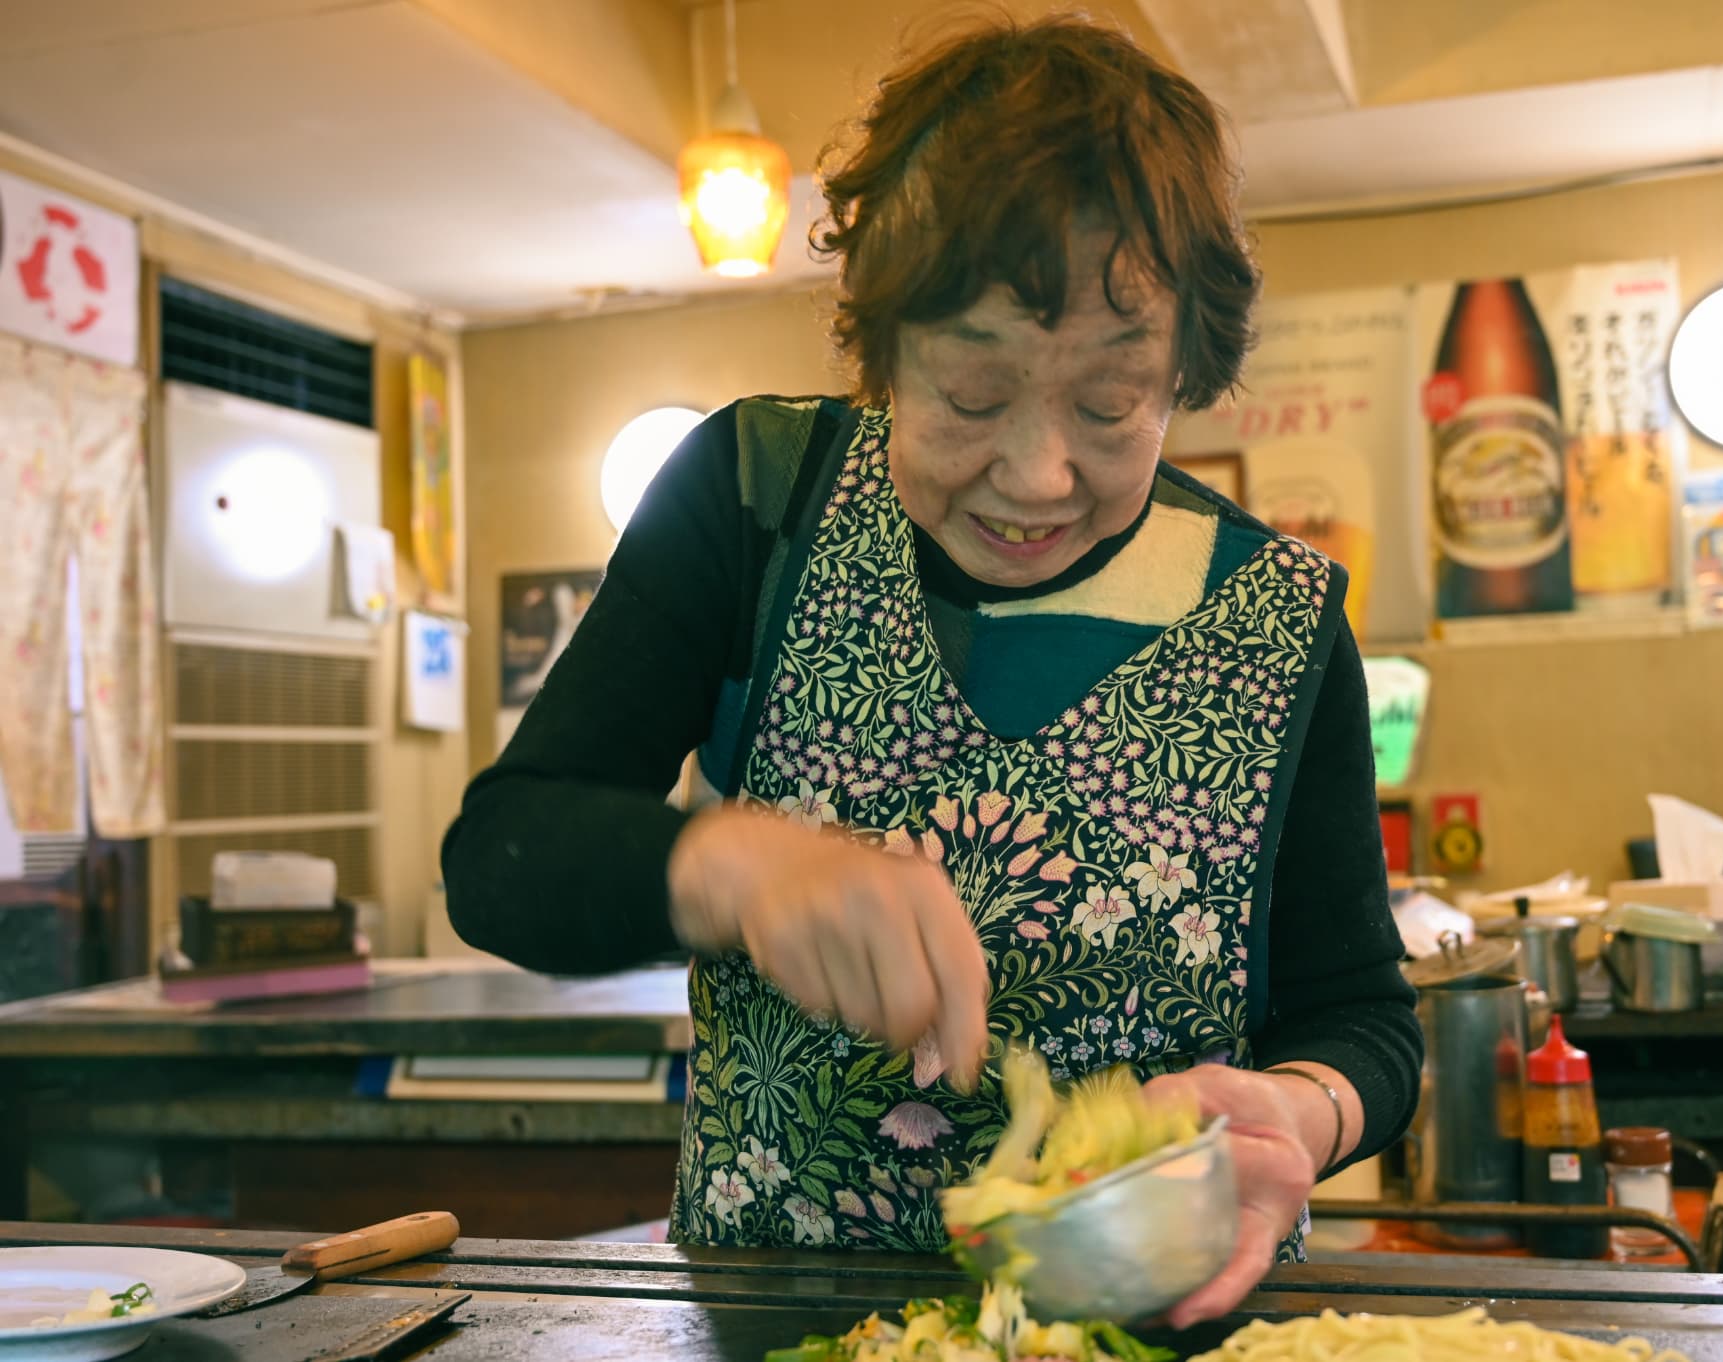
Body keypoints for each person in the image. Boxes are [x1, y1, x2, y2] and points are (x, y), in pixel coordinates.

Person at [443, 14, 1420, 1328]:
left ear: (1184, 367)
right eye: (970, 397)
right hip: (780, 1319)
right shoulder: (754, 505)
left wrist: (1302, 1110)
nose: (1037, 475)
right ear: (881, 347)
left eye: (1109, 402)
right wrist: (731, 861)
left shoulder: (1277, 615)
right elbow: (499, 858)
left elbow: (1364, 1015)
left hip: (1153, 1333)